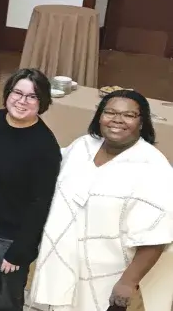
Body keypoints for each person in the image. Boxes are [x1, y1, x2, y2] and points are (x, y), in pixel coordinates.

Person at [31, 90, 173, 311]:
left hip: (107, 278)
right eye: (110, 112)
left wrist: (128, 283)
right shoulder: (83, 146)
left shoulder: (153, 168)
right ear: (99, 116)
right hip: (63, 265)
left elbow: (156, 236)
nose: (117, 120)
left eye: (129, 115)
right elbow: (49, 169)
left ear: (142, 122)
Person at [0, 68, 61, 310]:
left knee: (4, 303)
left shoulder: (45, 146)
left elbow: (41, 202)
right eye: (17, 92)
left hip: (9, 240)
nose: (22, 101)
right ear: (7, 93)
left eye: (32, 96)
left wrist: (21, 249)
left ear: (43, 102)